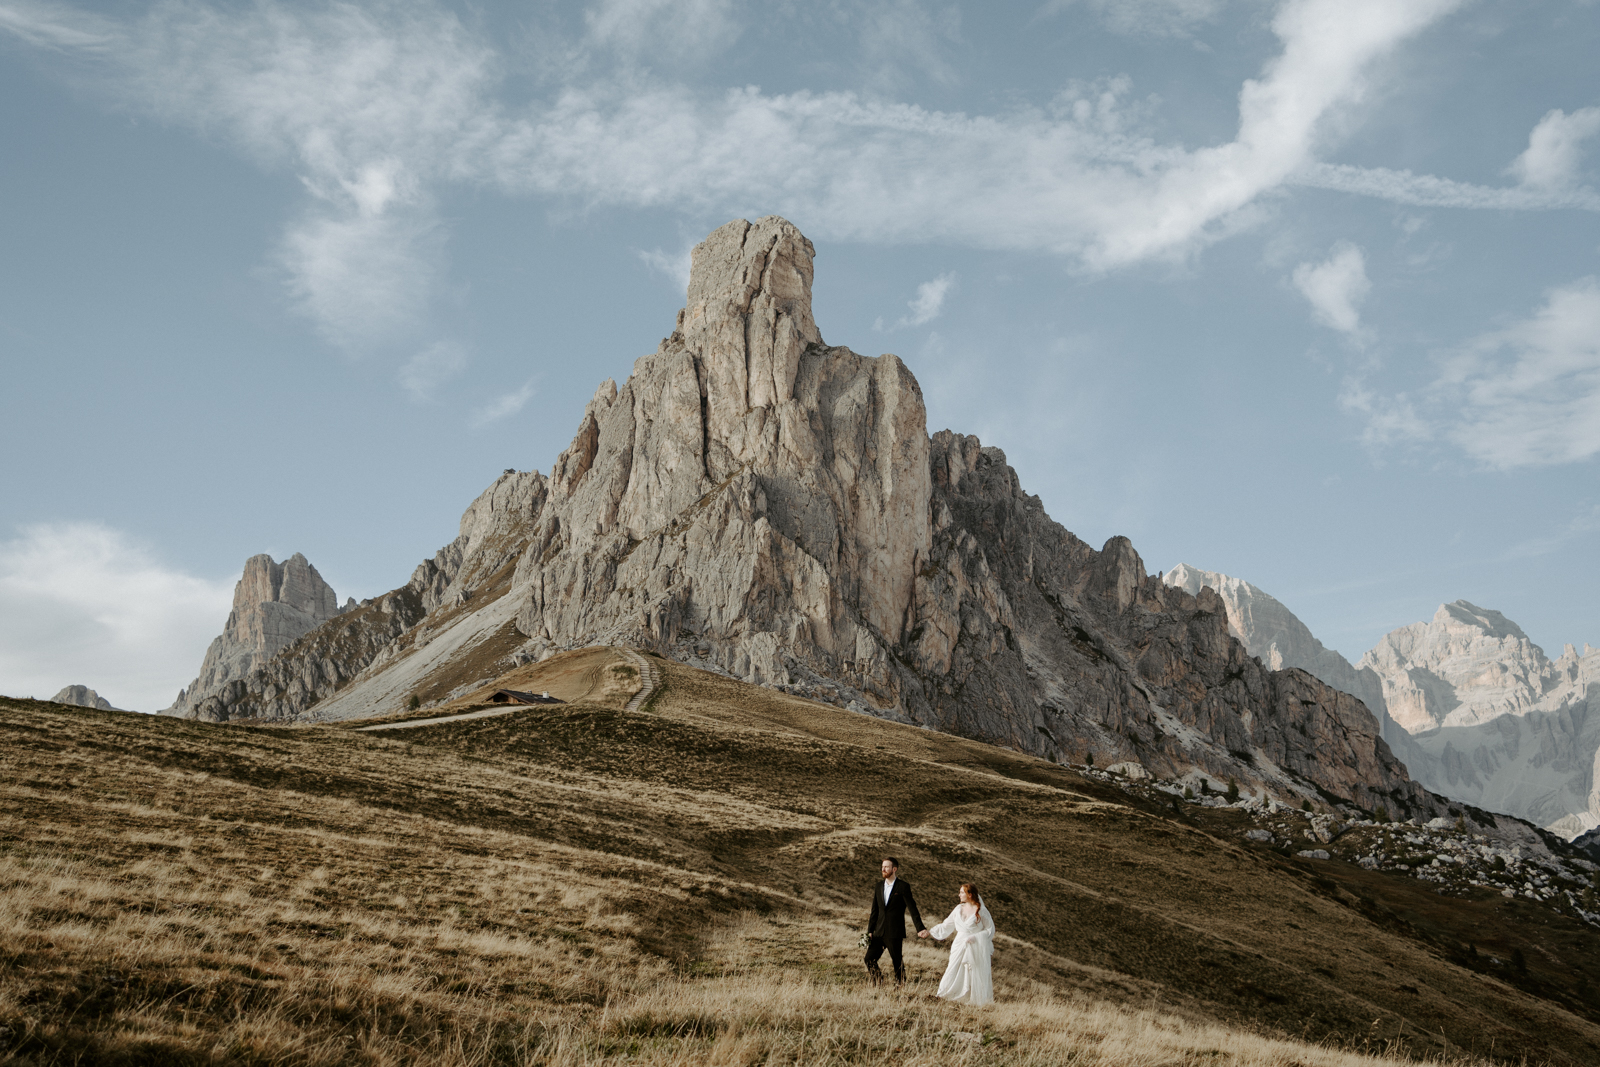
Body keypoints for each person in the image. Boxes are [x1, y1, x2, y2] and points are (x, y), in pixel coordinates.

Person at [864, 856, 929, 986]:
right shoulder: (878, 886)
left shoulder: (903, 886)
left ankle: (900, 985)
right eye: (882, 867)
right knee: (869, 958)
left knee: (897, 961)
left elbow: (912, 908)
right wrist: (869, 931)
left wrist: (920, 928)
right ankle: (878, 979)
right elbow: (874, 911)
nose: (883, 869)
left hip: (894, 931)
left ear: (894, 869)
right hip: (879, 931)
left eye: (886, 867)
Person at [927, 882, 995, 1006]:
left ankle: (970, 998)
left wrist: (976, 937)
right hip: (959, 944)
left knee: (972, 971)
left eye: (962, 892)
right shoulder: (958, 909)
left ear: (970, 894)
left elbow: (990, 930)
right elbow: (947, 925)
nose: (959, 895)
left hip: (974, 946)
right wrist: (930, 931)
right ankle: (945, 993)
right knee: (952, 968)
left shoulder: (981, 911)